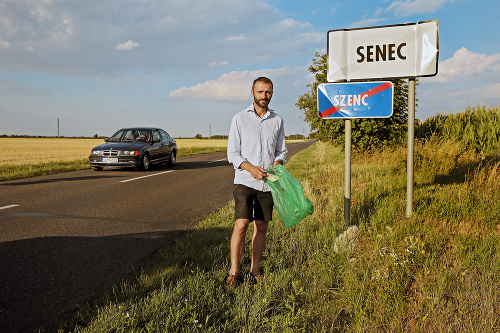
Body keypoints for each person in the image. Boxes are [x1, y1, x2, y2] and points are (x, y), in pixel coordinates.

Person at [226, 76, 287, 287]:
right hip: (245, 180)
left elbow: (281, 150)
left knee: (261, 226)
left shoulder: (277, 120)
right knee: (241, 223)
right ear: (252, 93)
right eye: (260, 92)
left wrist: (279, 160)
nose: (264, 96)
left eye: (268, 92)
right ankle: (234, 272)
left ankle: (254, 271)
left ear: (272, 93)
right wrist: (250, 168)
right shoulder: (239, 119)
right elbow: (232, 154)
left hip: (268, 183)